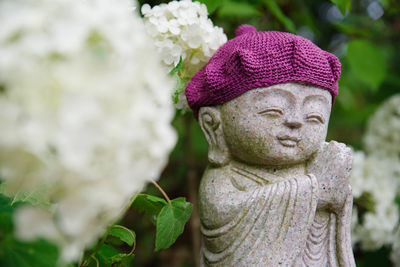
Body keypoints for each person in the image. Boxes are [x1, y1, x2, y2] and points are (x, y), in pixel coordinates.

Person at [185, 25, 355, 267]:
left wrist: (336, 188)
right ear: (214, 125)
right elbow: (224, 214)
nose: (296, 120)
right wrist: (316, 191)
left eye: (314, 115)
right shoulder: (223, 180)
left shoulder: (311, 166)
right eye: (273, 110)